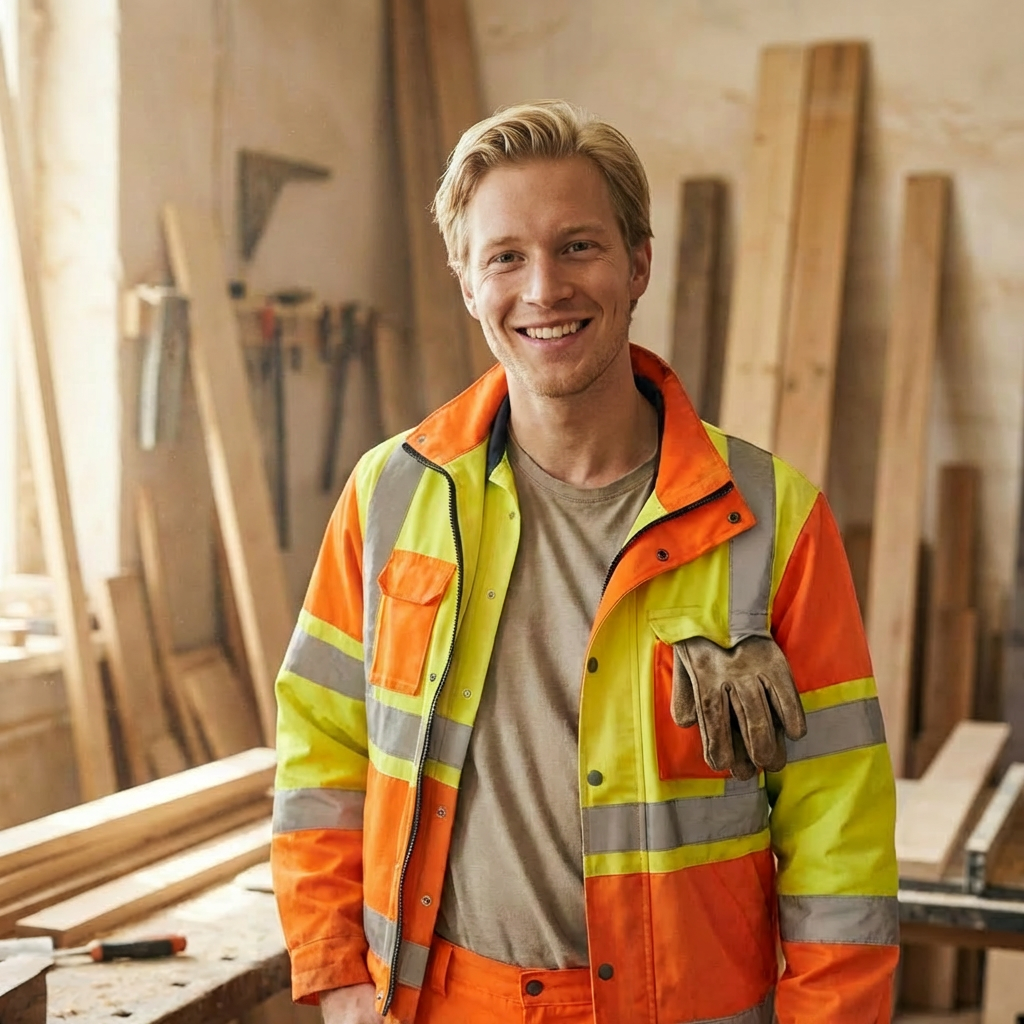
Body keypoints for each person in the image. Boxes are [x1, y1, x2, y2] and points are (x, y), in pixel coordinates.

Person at [271, 100, 899, 1024]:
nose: (543, 289)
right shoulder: (391, 496)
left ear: (639, 262)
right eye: (506, 257)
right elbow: (321, 754)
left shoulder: (773, 519)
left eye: (578, 247)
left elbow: (839, 835)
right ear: (466, 280)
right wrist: (335, 982)